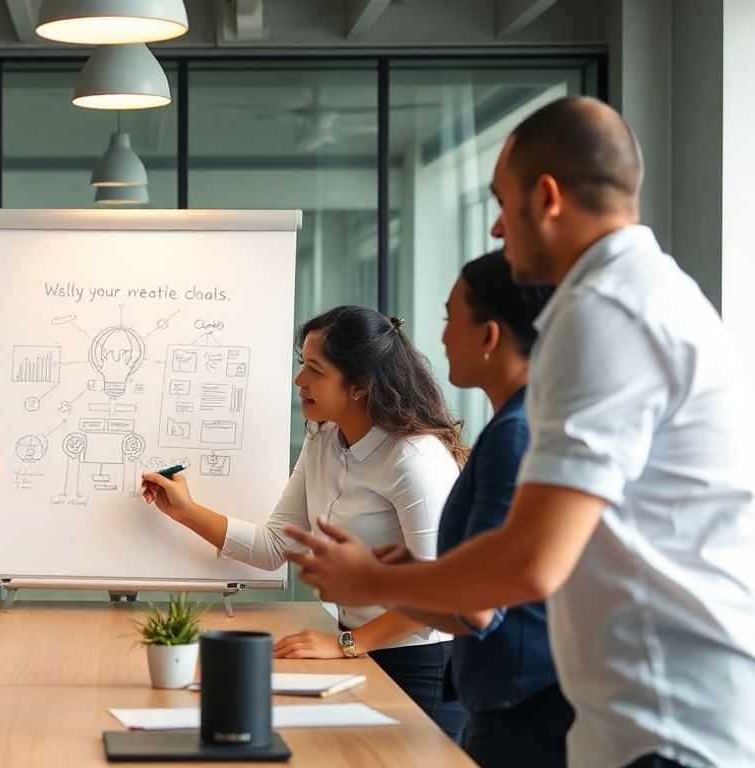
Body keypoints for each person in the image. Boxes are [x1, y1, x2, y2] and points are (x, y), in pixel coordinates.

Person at [291, 97, 755, 768]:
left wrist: (376, 583)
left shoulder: (605, 311)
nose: (498, 229)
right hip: (639, 715)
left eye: (502, 204)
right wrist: (411, 578)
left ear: (547, 198)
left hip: (662, 723)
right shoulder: (650, 295)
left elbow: (532, 562)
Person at [140, 305, 469, 739]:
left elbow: (441, 595)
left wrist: (344, 644)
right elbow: (275, 547)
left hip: (422, 666)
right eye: (302, 365)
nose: (299, 381)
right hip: (358, 650)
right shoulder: (324, 441)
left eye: (315, 370)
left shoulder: (414, 459)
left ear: (359, 385)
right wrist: (185, 510)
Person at [386, 250, 569, 767]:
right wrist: (394, 577)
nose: (441, 337)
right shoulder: (518, 422)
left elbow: (478, 606)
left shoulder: (516, 433)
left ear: (489, 336)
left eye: (450, 320)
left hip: (522, 710)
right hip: (510, 696)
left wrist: (375, 581)